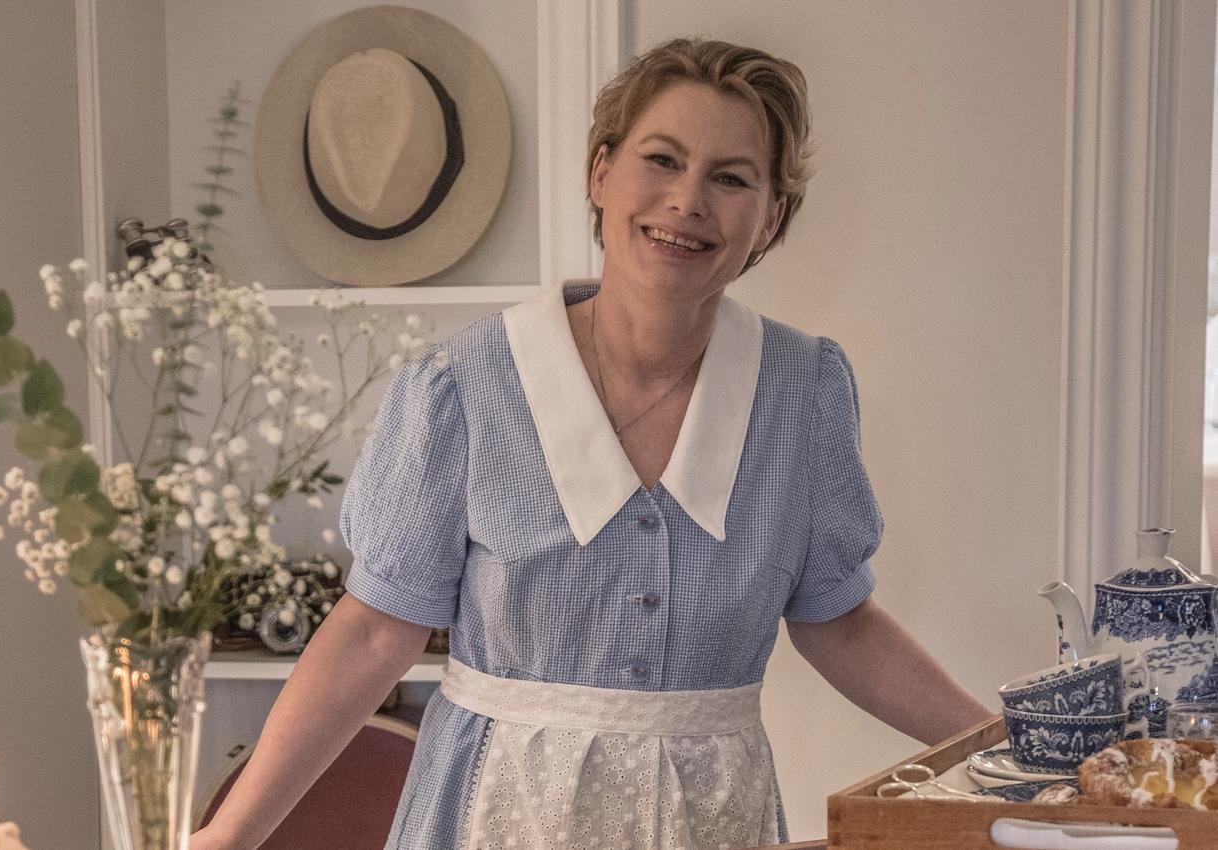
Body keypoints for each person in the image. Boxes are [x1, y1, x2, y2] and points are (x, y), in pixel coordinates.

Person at [192, 37, 991, 850]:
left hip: (711, 821)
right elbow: (373, 631)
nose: (687, 201)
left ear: (771, 218)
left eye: (731, 178)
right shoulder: (462, 387)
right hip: (496, 816)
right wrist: (227, 838)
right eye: (662, 160)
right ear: (601, 172)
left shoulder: (803, 390)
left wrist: (1003, 753)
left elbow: (838, 620)